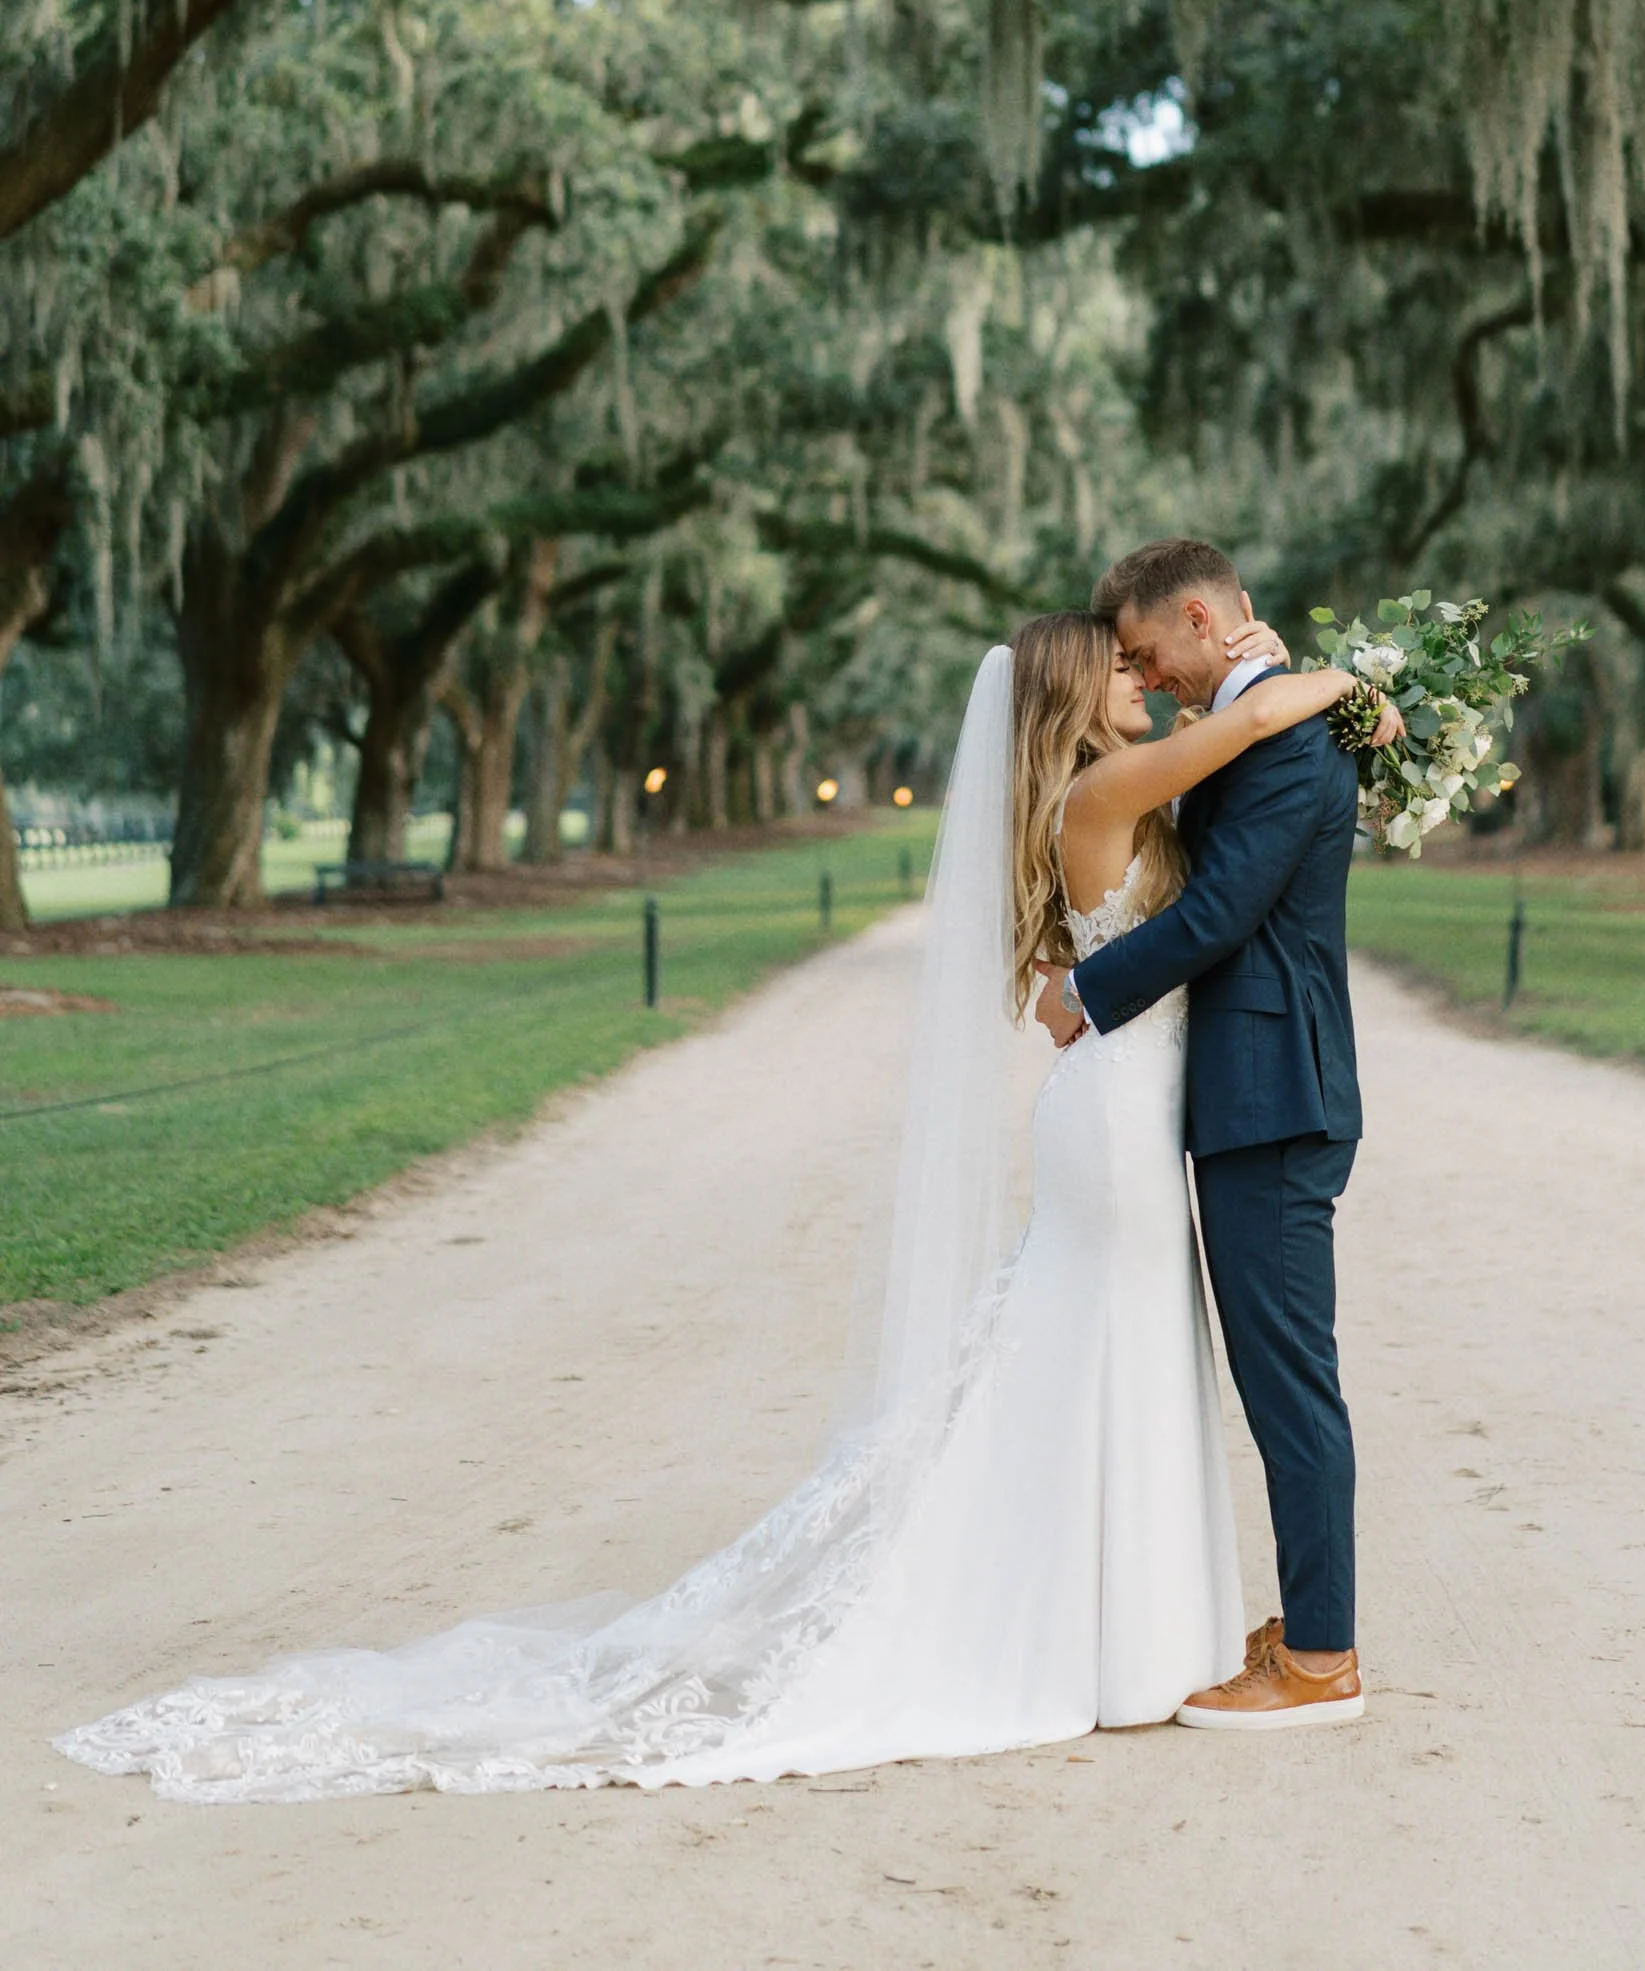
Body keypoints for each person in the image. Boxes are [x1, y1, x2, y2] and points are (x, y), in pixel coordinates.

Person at [56, 607, 1375, 1802]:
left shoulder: (1112, 793)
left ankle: (1138, 1633)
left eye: (1148, 658)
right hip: (1118, 1116)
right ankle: (1125, 1634)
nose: (1143, 678)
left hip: (1137, 1106)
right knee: (1112, 1340)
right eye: (1124, 666)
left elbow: (1222, 821)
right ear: (1076, 698)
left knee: (1127, 1349)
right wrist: (1361, 678)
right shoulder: (1100, 789)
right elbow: (1252, 723)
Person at [1035, 538, 1402, 1730]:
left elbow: (1216, 912)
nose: (1150, 679)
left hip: (1273, 1096)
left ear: (1199, 617)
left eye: (1148, 654)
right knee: (1269, 1373)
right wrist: (1328, 683)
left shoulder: (1283, 736)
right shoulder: (1260, 713)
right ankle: (1306, 1628)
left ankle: (1319, 1661)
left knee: (1289, 1382)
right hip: (1243, 1094)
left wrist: (1084, 997)